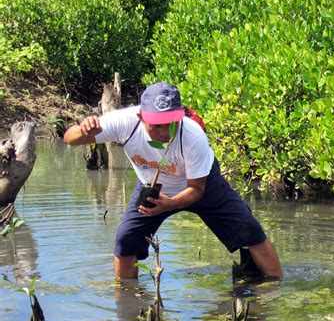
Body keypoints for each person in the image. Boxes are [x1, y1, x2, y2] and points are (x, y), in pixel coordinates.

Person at [64, 82, 282, 279]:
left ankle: (275, 285)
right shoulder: (124, 122)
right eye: (155, 125)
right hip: (152, 185)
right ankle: (126, 301)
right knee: (126, 239)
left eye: (169, 124)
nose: (163, 132)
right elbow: (69, 138)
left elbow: (197, 189)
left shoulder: (192, 135)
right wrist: (84, 130)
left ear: (178, 117)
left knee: (249, 229)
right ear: (141, 118)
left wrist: (170, 203)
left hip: (202, 183)